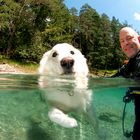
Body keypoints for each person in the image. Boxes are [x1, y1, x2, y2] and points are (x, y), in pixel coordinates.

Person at [112, 27, 140, 140]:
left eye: (129, 38)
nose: (126, 43)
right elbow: (112, 79)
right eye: (122, 41)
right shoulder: (128, 66)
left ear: (139, 39)